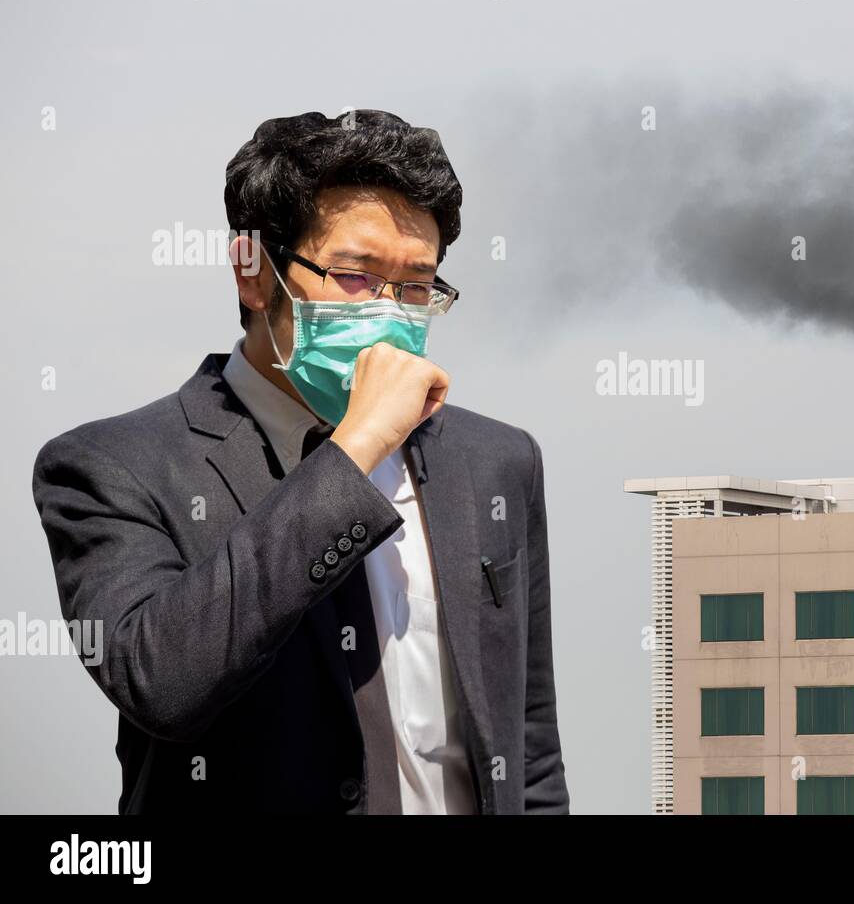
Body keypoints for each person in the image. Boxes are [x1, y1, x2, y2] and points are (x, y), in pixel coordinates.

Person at [31, 110, 568, 814]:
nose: (391, 313)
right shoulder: (110, 465)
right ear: (254, 274)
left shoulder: (496, 462)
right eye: (355, 275)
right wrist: (354, 450)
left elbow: (528, 751)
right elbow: (160, 681)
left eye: (416, 286)